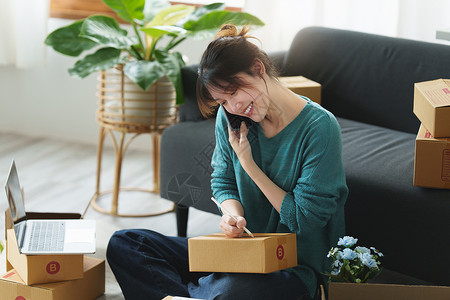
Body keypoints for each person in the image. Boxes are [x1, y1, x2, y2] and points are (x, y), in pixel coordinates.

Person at [107, 24, 348, 300]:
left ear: (258, 69)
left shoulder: (319, 128)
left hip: (291, 269)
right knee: (126, 243)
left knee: (231, 290)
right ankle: (198, 294)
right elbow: (222, 181)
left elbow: (304, 219)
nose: (231, 107)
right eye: (221, 101)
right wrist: (231, 215)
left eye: (233, 93)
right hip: (238, 254)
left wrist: (249, 166)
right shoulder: (232, 118)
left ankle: (196, 292)